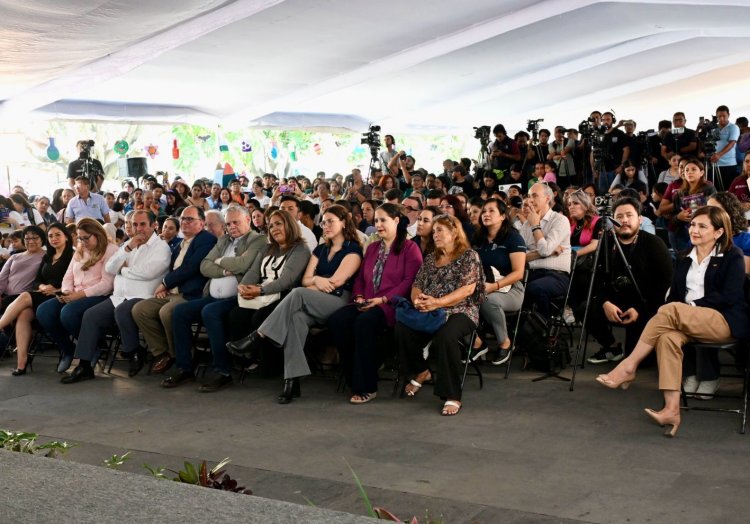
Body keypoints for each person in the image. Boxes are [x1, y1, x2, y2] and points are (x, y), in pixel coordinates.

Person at [596, 207, 749, 437]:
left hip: (723, 321)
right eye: (693, 225)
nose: (694, 230)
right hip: (685, 319)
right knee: (667, 337)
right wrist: (681, 309)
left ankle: (629, 365)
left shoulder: (731, 255)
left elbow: (730, 296)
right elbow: (676, 294)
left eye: (702, 226)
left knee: (671, 309)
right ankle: (671, 409)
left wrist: (688, 308)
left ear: (718, 232)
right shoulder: (684, 257)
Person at [226, 205, 362, 404]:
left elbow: (336, 283)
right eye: (323, 222)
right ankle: (292, 381)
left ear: (343, 222)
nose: (326, 225)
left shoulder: (352, 249)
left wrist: (315, 282)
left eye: (331, 221)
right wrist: (317, 281)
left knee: (297, 293)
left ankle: (258, 336)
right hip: (313, 298)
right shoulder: (321, 249)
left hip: (339, 302)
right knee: (295, 320)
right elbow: (306, 279)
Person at [160, 206, 266, 390]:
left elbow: (243, 264)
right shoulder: (224, 240)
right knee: (180, 312)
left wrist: (218, 262)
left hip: (238, 297)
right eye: (229, 223)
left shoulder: (258, 239)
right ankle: (184, 367)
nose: (232, 226)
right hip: (212, 295)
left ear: (248, 220)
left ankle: (222, 371)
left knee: (210, 312)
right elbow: (204, 266)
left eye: (236, 222)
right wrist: (225, 269)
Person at [327, 204, 423, 404]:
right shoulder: (372, 248)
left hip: (392, 305)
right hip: (367, 301)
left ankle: (367, 386)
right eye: (376, 221)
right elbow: (361, 278)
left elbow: (409, 282)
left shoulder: (410, 248)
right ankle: (352, 376)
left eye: (383, 220)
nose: (378, 225)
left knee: (364, 323)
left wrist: (383, 299)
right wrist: (359, 296)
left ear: (396, 221)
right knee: (338, 320)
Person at [61, 210, 172, 383]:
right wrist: (127, 249)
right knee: (91, 315)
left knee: (122, 311)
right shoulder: (129, 244)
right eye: (134, 224)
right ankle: (84, 365)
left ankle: (133, 351)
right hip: (119, 296)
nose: (138, 228)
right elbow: (110, 268)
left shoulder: (161, 247)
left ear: (153, 225)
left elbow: (148, 273)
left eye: (142, 224)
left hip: (143, 296)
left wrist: (123, 269)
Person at [396, 214, 483, 416]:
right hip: (431, 310)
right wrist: (419, 301)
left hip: (462, 311)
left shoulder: (469, 256)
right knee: (402, 328)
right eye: (433, 230)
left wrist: (438, 302)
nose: (435, 234)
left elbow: (467, 291)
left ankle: (452, 395)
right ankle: (422, 370)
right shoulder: (430, 258)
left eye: (440, 230)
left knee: (446, 337)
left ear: (454, 232)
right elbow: (416, 286)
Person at [583, 197, 673, 364]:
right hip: (615, 301)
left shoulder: (654, 244)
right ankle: (611, 346)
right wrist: (605, 302)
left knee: (640, 362)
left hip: (645, 304)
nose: (624, 220)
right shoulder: (607, 243)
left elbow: (665, 285)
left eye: (629, 215)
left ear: (639, 219)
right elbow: (596, 278)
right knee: (585, 307)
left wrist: (639, 309)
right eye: (619, 216)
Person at [131, 206, 218, 374]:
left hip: (192, 294)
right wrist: (166, 287)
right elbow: (173, 269)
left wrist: (165, 283)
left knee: (166, 312)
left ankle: (180, 354)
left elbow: (191, 268)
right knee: (140, 309)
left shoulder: (205, 240)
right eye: (183, 219)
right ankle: (162, 352)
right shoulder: (179, 243)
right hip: (173, 292)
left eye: (189, 219)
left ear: (201, 223)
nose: (184, 222)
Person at [223, 210, 310, 375]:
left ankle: (271, 366)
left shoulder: (300, 249)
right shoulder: (267, 248)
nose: (274, 228)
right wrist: (243, 286)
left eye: (278, 224)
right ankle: (248, 361)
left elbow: (287, 280)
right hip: (261, 293)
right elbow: (254, 272)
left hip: (285, 296)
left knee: (260, 317)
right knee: (236, 314)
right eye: (270, 226)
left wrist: (260, 290)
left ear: (289, 225)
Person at [36, 218, 118, 374]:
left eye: (86, 237)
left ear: (97, 234)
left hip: (98, 295)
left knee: (68, 313)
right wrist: (65, 292)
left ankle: (92, 346)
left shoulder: (110, 250)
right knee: (43, 311)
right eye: (80, 237)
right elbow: (68, 276)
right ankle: (68, 349)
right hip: (74, 293)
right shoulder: (80, 248)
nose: (82, 241)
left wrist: (78, 295)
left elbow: (107, 284)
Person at [0, 224, 73, 375]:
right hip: (41, 294)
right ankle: (22, 362)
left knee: (25, 295)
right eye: (51, 236)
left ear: (66, 236)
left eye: (57, 235)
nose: (54, 238)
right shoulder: (48, 257)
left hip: (60, 295)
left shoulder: (72, 255)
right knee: (23, 315)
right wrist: (42, 286)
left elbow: (75, 280)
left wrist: (57, 289)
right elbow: (37, 280)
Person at [472, 199, 526, 366]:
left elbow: (518, 273)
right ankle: (477, 342)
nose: (485, 214)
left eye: (491, 211)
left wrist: (494, 287)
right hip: (482, 286)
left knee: (488, 300)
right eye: (484, 211)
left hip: (510, 288)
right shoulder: (478, 238)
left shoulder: (513, 238)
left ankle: (505, 343)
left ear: (503, 216)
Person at [519, 183, 571, 316]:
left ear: (547, 198)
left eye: (535, 196)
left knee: (534, 288)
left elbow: (544, 250)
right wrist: (546, 252)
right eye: (529, 196)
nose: (530, 200)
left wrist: (536, 226)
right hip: (530, 273)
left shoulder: (560, 220)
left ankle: (545, 329)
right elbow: (518, 256)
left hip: (556, 276)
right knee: (510, 288)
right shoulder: (526, 225)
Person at [670, 158, 716, 251]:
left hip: (704, 230)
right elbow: (671, 219)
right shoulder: (678, 194)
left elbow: (716, 211)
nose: (689, 172)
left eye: (693, 169)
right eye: (687, 170)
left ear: (702, 172)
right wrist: (679, 217)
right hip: (683, 232)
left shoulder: (709, 188)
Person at [707, 192, 750, 273]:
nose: (708, 214)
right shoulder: (701, 237)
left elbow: (742, 275)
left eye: (715, 210)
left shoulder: (746, 241)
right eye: (707, 209)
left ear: (730, 213)